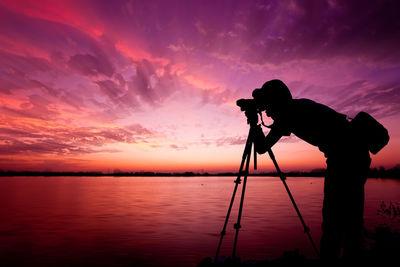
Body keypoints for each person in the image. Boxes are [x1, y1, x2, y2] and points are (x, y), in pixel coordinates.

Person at [250, 79, 371, 261]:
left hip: (346, 159)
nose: (266, 111)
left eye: (268, 104)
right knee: (348, 219)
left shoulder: (288, 113)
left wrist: (254, 123)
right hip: (353, 156)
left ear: (277, 100)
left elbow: (261, 147)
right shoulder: (297, 106)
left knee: (334, 222)